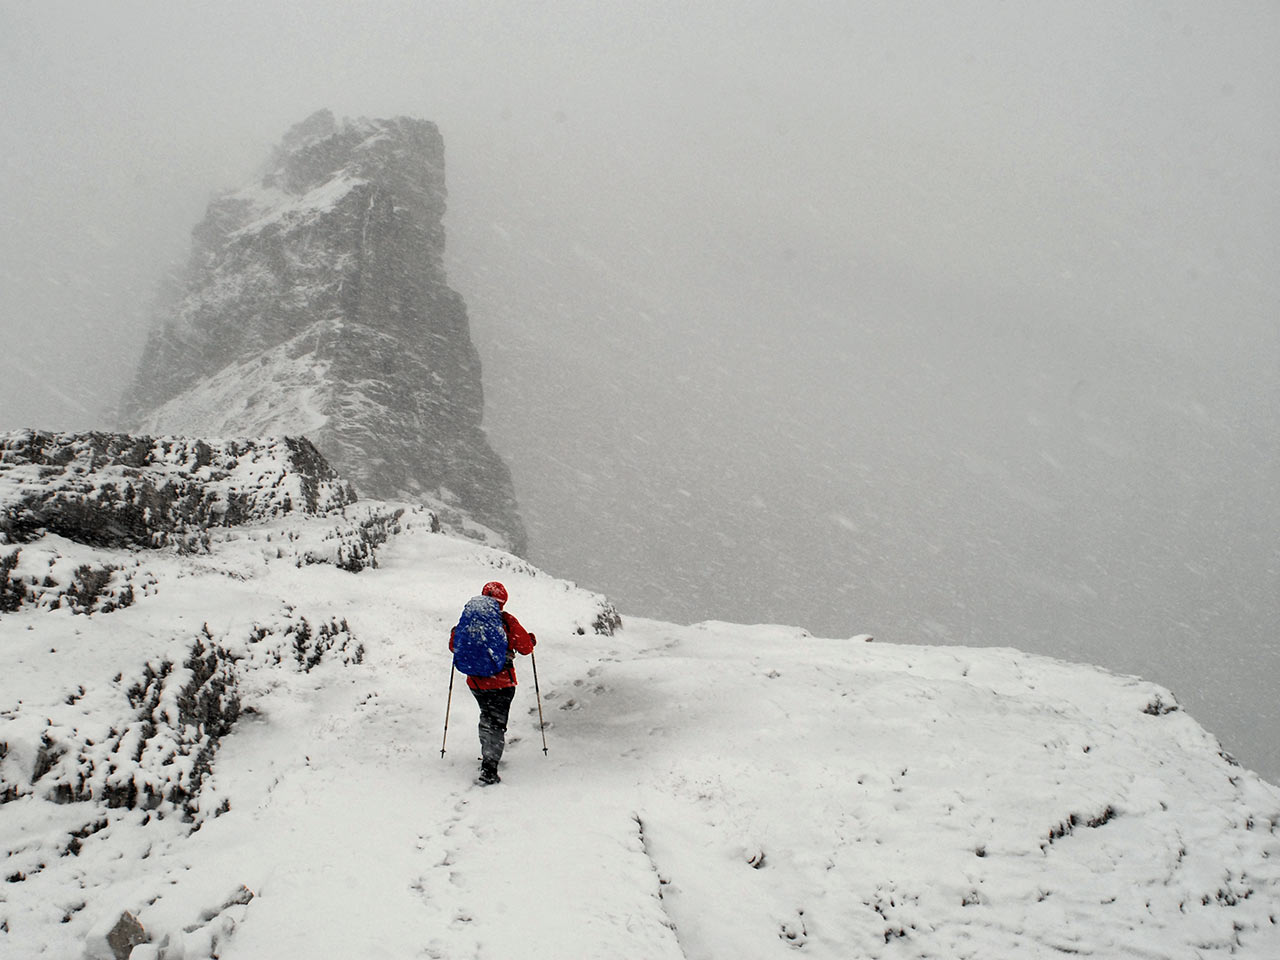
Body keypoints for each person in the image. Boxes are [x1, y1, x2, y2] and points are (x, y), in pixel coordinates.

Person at [449, 581, 536, 785]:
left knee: (486, 716)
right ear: (503, 601)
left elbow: (454, 646)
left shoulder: (468, 621)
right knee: (496, 722)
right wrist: (530, 640)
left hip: (476, 683)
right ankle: (489, 767)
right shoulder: (506, 621)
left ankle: (488, 753)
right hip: (502, 682)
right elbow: (525, 648)